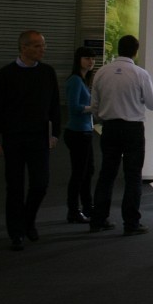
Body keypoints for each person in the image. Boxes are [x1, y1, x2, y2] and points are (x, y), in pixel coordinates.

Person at [0, 30, 61, 251]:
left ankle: (28, 220)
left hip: (39, 139)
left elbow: (55, 106)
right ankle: (16, 232)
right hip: (14, 138)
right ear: (23, 47)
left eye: (43, 45)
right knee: (15, 187)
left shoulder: (47, 72)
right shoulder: (6, 74)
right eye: (37, 46)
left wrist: (55, 134)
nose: (42, 49)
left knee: (40, 183)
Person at [89, 35, 153, 236]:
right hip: (133, 129)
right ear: (135, 51)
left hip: (110, 128)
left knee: (106, 174)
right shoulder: (140, 74)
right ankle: (131, 223)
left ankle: (98, 220)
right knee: (133, 176)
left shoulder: (102, 72)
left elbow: (95, 106)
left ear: (118, 49)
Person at [63, 46, 97, 224]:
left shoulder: (84, 80)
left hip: (85, 130)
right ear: (78, 60)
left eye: (92, 58)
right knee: (79, 173)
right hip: (77, 132)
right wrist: (93, 108)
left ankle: (87, 206)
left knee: (87, 171)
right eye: (87, 58)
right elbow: (74, 107)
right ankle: (73, 210)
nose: (91, 62)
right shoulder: (75, 80)